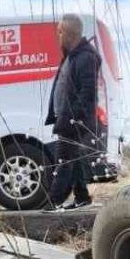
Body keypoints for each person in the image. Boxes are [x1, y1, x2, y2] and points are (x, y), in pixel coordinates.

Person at [46, 13, 102, 210]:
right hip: (66, 117)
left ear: (69, 34)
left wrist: (73, 117)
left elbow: (88, 93)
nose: (57, 36)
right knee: (74, 158)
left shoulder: (86, 57)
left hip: (74, 120)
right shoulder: (72, 56)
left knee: (63, 159)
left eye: (59, 32)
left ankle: (53, 201)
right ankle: (82, 196)